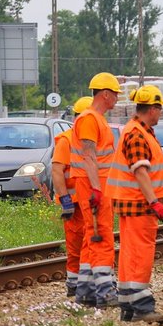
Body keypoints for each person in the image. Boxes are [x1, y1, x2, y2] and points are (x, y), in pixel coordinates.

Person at [105, 85, 163, 323]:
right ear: (153, 109)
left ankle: (127, 304)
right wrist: (155, 202)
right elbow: (141, 172)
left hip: (131, 203)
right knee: (140, 253)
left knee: (129, 252)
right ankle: (142, 307)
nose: (161, 113)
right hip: (140, 205)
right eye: (160, 109)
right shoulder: (137, 134)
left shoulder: (136, 130)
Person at [70, 72, 121, 308]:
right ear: (105, 94)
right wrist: (97, 189)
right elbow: (88, 155)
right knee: (102, 235)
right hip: (93, 185)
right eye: (116, 95)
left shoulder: (97, 119)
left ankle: (86, 291)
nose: (118, 99)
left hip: (95, 184)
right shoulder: (89, 119)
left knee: (93, 235)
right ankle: (105, 291)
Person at [51, 96, 93, 298]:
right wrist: (65, 199)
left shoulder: (92, 140)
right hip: (75, 205)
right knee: (76, 246)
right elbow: (57, 170)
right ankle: (74, 285)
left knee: (92, 244)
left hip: (91, 202)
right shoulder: (67, 140)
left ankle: (86, 284)